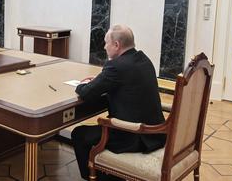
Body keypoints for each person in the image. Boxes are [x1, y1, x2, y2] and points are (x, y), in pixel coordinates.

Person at [71, 25, 166, 181]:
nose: (104, 46)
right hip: (156, 133)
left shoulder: (115, 66)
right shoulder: (144, 59)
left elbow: (87, 93)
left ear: (116, 45)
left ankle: (94, 177)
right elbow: (125, 82)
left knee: (79, 134)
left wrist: (82, 85)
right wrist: (100, 80)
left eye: (106, 42)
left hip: (134, 135)